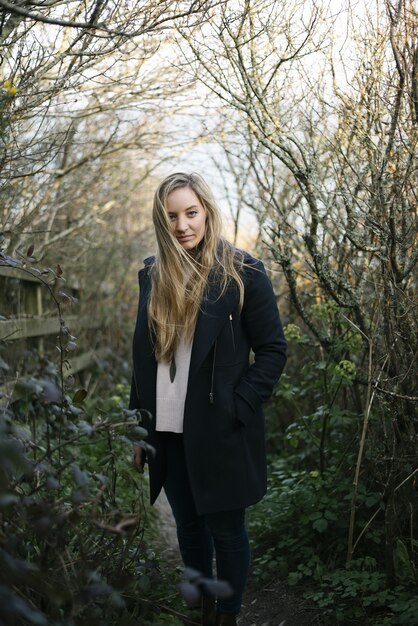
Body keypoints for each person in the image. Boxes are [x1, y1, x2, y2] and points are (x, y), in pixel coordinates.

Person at [130, 172, 287, 626]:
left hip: (220, 427)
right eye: (172, 215)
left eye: (191, 213)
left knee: (226, 529)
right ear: (162, 221)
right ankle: (198, 608)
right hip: (167, 427)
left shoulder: (244, 272)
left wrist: (240, 404)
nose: (183, 225)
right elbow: (142, 359)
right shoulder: (153, 275)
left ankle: (228, 614)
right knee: (188, 527)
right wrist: (137, 426)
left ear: (206, 212)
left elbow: (273, 350)